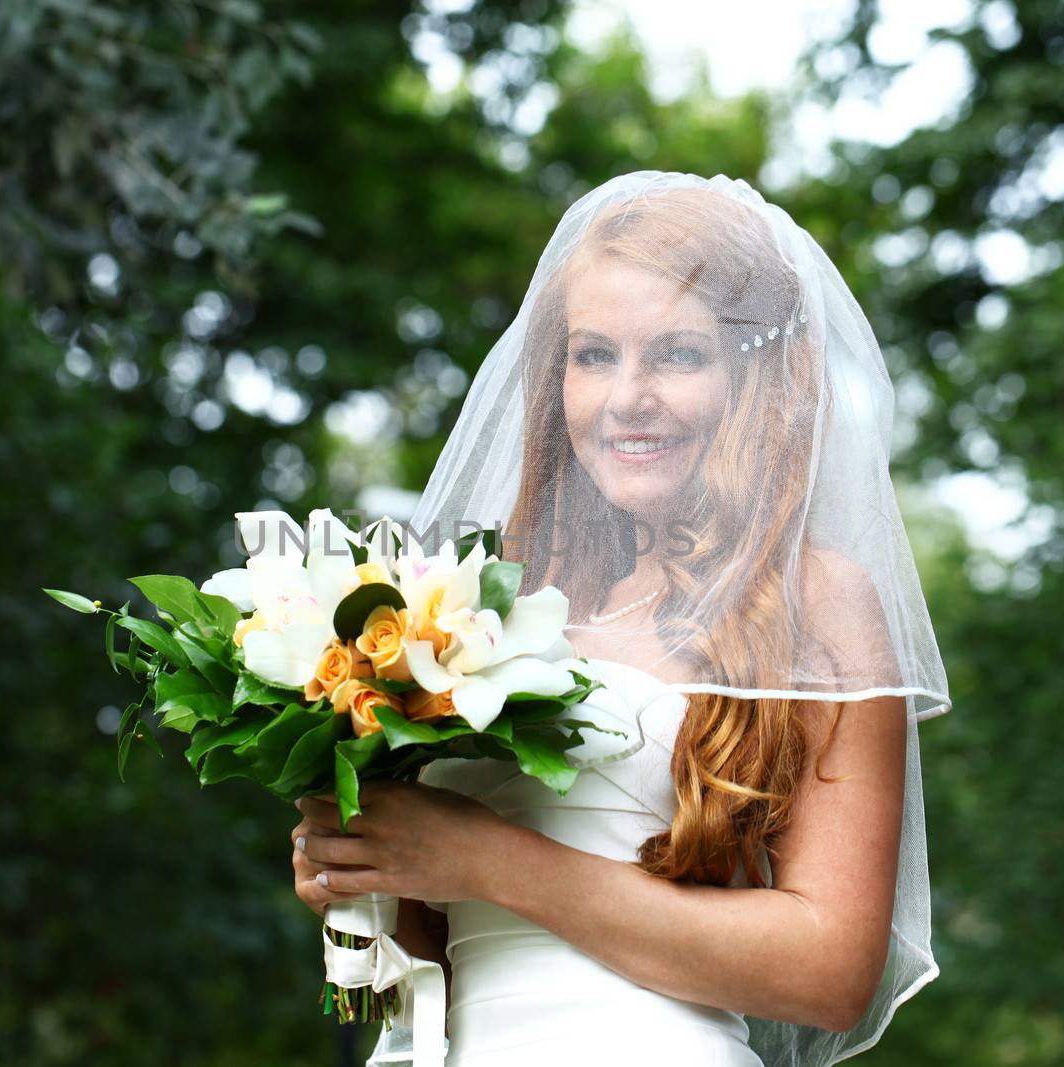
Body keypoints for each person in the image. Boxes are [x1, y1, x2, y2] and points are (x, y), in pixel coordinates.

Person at [290, 171, 952, 1067]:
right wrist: (374, 870)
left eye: (677, 354)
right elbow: (460, 950)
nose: (626, 397)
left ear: (752, 375)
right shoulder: (484, 608)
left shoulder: (812, 597)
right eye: (594, 354)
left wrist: (485, 859)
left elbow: (829, 969)